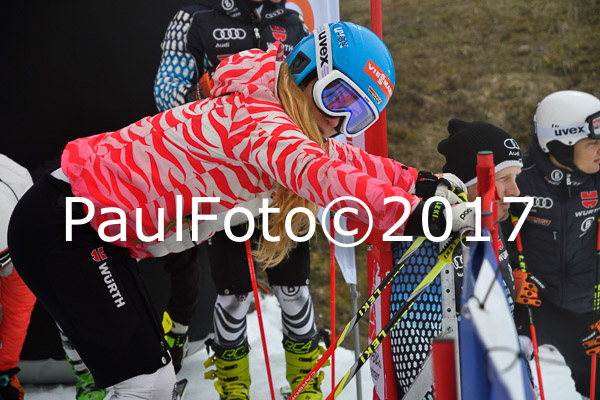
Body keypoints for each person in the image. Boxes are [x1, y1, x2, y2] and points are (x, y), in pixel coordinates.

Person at [7, 22, 475, 399]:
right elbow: (321, 174)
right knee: (145, 383)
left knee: (151, 381)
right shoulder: (262, 122)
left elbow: (342, 159)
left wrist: (417, 182)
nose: (338, 122)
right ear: (306, 67)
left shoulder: (274, 104)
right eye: (336, 98)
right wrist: (414, 213)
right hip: (66, 223)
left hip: (85, 225)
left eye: (358, 114)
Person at [152, 0, 313, 385]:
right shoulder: (195, 17)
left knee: (294, 288)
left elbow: (312, 88)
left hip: (283, 175)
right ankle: (233, 387)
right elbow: (167, 93)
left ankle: (307, 386)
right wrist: (222, 120)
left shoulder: (290, 17)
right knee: (234, 294)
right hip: (227, 175)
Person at [390, 119, 522, 398]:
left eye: (516, 178)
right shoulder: (431, 213)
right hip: (436, 365)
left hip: (490, 361)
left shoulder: (493, 222)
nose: (515, 191)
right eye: (503, 179)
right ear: (471, 180)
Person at [506, 90, 600, 398]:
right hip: (530, 304)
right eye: (593, 142)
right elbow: (492, 233)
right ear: (561, 143)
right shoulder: (519, 177)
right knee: (507, 377)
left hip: (586, 308)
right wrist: (511, 279)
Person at [0, 154, 37, 400]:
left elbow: (18, 310)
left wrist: (6, 369)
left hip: (18, 243)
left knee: (19, 305)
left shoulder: (18, 182)